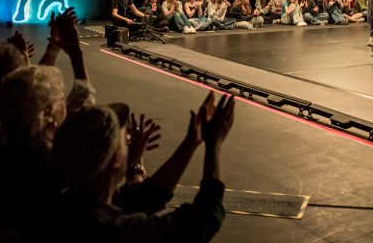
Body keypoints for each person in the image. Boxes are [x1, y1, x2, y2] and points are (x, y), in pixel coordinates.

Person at [52, 92, 235, 243]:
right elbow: (202, 221)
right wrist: (214, 145)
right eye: (126, 141)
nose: (130, 146)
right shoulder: (119, 232)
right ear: (115, 159)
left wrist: (191, 142)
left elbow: (148, 195)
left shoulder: (72, 202)